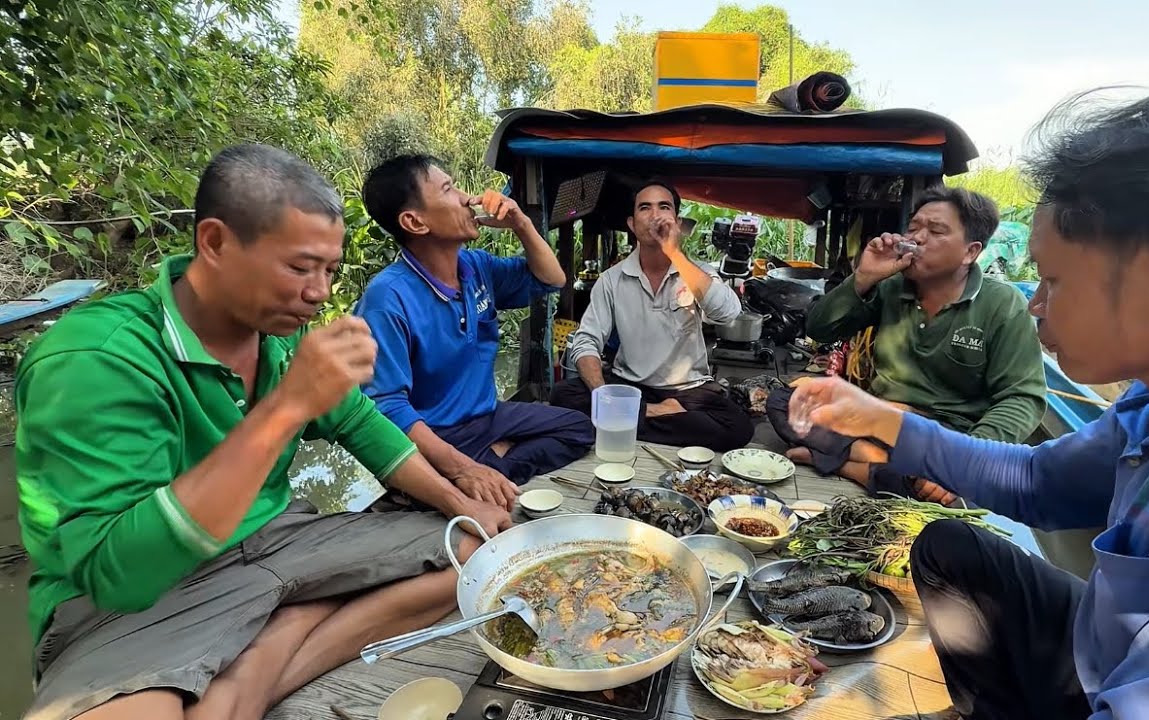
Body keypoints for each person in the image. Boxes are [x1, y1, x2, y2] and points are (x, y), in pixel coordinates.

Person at [789, 86, 1149, 720]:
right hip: (1098, 647)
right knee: (950, 549)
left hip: (1124, 687)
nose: (1034, 304)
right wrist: (879, 417)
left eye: (1052, 280)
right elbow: (1035, 479)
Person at [17, 144, 512, 720]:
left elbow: (362, 424)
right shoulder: (94, 359)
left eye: (329, 271)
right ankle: (290, 622)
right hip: (135, 596)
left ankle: (270, 650)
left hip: (277, 543)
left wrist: (462, 500)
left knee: (471, 550)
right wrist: (285, 408)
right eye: (300, 268)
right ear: (215, 243)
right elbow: (120, 576)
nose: (320, 293)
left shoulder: (277, 340)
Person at [768, 187, 1046, 504]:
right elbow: (821, 329)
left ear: (970, 252)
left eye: (936, 230)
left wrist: (967, 461)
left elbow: (1023, 398)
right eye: (913, 228)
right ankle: (874, 466)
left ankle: (848, 465)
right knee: (785, 400)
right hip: (877, 420)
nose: (918, 238)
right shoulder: (891, 286)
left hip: (944, 438)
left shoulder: (1002, 304)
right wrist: (863, 278)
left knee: (951, 492)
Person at [356, 154, 594, 494]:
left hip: (489, 418)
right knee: (459, 475)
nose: (468, 198)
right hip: (437, 434)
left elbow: (552, 279)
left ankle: (491, 467)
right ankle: (469, 474)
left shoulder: (475, 266)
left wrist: (521, 223)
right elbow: (389, 408)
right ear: (415, 222)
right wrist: (462, 466)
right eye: (449, 189)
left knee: (578, 428)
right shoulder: (387, 298)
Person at [550, 181, 755, 451]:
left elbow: (727, 313)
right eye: (645, 208)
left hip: (687, 391)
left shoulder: (698, 273)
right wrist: (603, 394)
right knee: (562, 395)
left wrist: (674, 253)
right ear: (632, 224)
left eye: (664, 207)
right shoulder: (612, 280)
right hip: (628, 385)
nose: (655, 215)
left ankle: (623, 422)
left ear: (676, 222)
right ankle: (654, 415)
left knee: (737, 427)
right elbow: (586, 340)